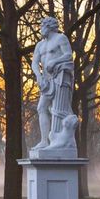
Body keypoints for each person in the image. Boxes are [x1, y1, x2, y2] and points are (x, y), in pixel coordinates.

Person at [31, 17, 74, 150]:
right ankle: (44, 141)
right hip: (46, 80)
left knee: (59, 109)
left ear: (48, 26)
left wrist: (55, 62)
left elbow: (68, 55)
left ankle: (60, 139)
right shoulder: (40, 45)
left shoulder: (61, 38)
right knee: (41, 108)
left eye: (42, 26)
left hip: (59, 77)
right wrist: (38, 76)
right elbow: (34, 63)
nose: (40, 29)